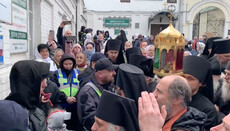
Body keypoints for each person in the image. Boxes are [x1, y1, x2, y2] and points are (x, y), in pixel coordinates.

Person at [5, 60, 50, 131]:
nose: (45, 84)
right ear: (29, 82)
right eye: (41, 79)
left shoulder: (30, 104)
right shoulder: (14, 116)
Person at [77, 58, 117, 130]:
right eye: (111, 71)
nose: (114, 73)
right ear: (100, 73)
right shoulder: (87, 92)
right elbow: (88, 119)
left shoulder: (110, 87)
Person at [183, 55, 218, 130]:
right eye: (182, 77)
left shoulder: (207, 110)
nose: (184, 81)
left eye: (190, 79)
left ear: (201, 83)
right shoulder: (173, 97)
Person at [50, 54, 80, 130]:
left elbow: (81, 87)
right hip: (62, 105)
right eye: (66, 64)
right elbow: (54, 89)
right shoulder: (56, 74)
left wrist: (75, 98)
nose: (68, 66)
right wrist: (66, 98)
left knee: (74, 126)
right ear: (62, 64)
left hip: (75, 105)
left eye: (70, 64)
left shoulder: (78, 73)